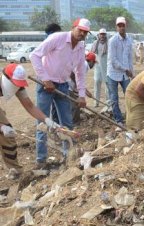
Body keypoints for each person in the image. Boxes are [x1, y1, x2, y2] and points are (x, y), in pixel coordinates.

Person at [30, 18, 90, 167]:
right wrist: (45, 79)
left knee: (67, 123)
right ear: (73, 27)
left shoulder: (81, 47)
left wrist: (81, 94)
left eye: (85, 32)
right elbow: (34, 55)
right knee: (43, 122)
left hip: (62, 86)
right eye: (79, 29)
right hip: (46, 86)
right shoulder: (57, 38)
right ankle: (41, 160)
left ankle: (68, 157)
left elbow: (80, 72)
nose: (81, 33)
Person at [0, 64, 60, 178]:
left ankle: (15, 170)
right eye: (15, 84)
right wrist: (2, 127)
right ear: (7, 79)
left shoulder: (18, 86)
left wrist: (47, 120)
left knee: (8, 137)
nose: (17, 87)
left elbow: (30, 106)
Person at [107, 17, 134, 130]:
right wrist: (126, 69)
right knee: (114, 99)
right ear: (116, 27)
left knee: (129, 97)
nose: (121, 27)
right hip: (113, 73)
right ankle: (119, 121)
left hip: (125, 74)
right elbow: (113, 61)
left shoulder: (129, 40)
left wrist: (131, 71)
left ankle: (130, 119)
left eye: (123, 25)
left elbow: (129, 57)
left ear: (125, 26)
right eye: (119, 25)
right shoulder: (113, 40)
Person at [69, 52, 96, 124]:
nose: (93, 65)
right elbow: (72, 74)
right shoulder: (84, 65)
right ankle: (74, 123)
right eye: (94, 63)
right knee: (75, 104)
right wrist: (79, 87)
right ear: (91, 61)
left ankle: (75, 121)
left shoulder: (84, 65)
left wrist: (85, 91)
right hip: (69, 86)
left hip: (72, 86)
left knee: (75, 104)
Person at [91, 28, 109, 107]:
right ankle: (96, 102)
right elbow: (92, 54)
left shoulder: (108, 43)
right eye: (101, 34)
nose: (102, 35)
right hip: (97, 66)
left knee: (107, 84)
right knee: (97, 82)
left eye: (103, 34)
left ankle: (108, 102)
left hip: (106, 66)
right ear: (99, 35)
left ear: (105, 35)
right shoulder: (95, 43)